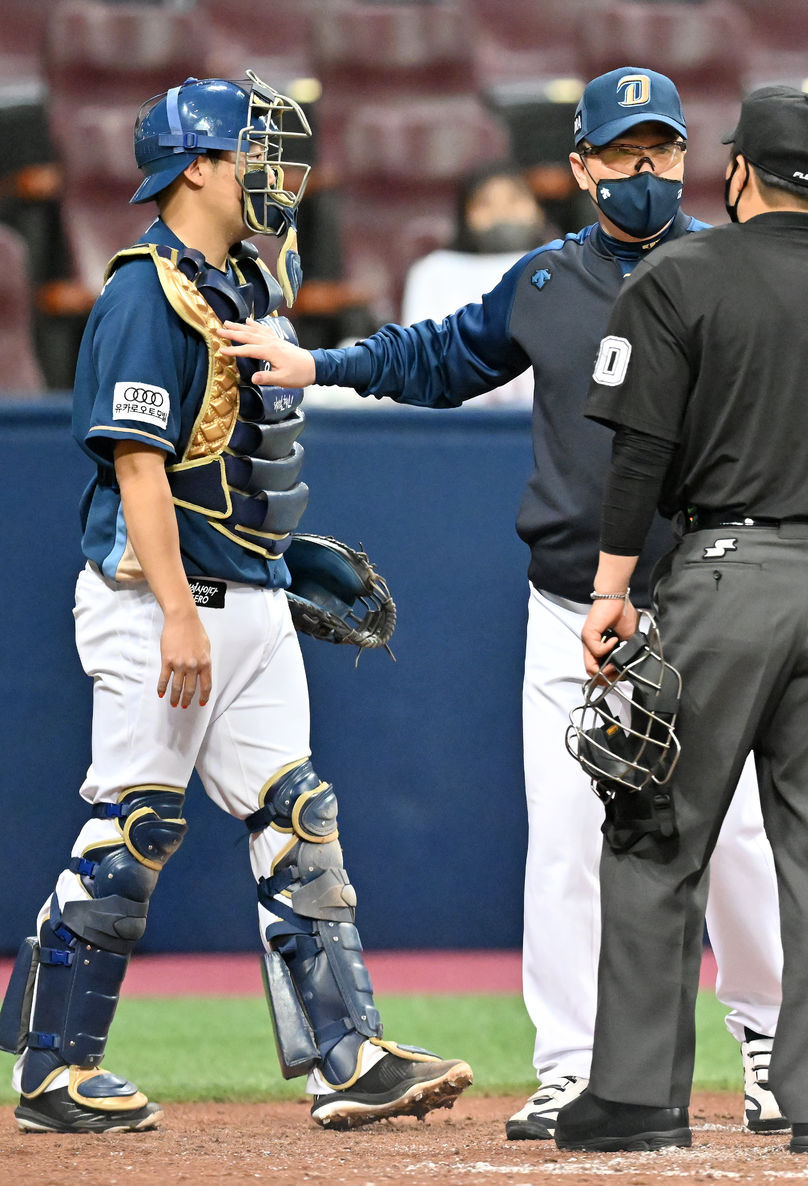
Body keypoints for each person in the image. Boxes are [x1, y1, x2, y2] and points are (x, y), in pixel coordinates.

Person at [220, 66, 787, 1141]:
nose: (644, 172)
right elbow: (437, 358)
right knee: (566, 843)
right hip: (569, 608)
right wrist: (318, 361)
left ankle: (773, 1046)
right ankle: (572, 1064)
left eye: (660, 151)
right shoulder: (545, 282)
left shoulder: (733, 270)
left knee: (738, 835)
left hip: (710, 599)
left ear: (687, 160)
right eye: (621, 153)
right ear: (579, 166)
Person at [0, 73, 471, 1134]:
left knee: (297, 818)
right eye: (251, 151)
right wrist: (175, 606)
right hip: (154, 600)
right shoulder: (142, 293)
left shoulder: (242, 286)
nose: (270, 172)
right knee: (133, 826)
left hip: (248, 599)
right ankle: (52, 1071)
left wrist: (267, 555)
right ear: (198, 166)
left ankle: (347, 1058)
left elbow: (228, 464)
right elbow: (136, 469)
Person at [558, 84, 808, 1155]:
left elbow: (637, 451)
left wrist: (610, 592)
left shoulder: (676, 274)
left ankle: (636, 1100)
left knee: (654, 830)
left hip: (723, 574)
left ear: (739, 173)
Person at [401, 161, 549, 408]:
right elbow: (421, 359)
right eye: (486, 204)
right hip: (457, 418)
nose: (502, 214)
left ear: (538, 210)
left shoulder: (566, 263)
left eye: (514, 200)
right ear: (465, 215)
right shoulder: (434, 271)